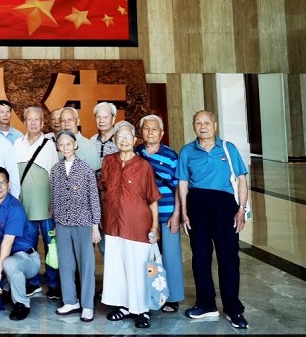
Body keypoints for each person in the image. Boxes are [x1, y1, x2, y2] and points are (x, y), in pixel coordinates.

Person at [177, 110, 249, 329]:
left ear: (215, 125)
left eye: (206, 123)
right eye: (198, 123)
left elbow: (242, 179)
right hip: (197, 205)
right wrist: (184, 212)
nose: (203, 126)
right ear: (193, 126)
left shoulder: (228, 148)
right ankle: (206, 304)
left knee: (228, 257)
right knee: (200, 256)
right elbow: (182, 183)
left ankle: (233, 308)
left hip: (224, 206)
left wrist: (241, 209)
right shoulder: (187, 151)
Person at [99, 121, 161, 329]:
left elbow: (152, 198)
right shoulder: (108, 161)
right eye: (120, 136)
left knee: (138, 268)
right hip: (113, 224)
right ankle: (124, 306)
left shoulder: (143, 166)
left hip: (137, 226)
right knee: (117, 268)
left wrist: (154, 226)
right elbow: (103, 189)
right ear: (114, 140)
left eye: (128, 137)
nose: (124, 140)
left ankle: (142, 310)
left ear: (135, 140)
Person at [49, 130, 101, 323]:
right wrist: (56, 221)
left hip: (83, 222)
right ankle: (70, 301)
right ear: (58, 147)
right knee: (65, 264)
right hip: (62, 222)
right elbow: (54, 197)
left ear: (75, 145)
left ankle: (87, 305)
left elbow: (94, 198)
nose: (65, 148)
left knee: (86, 264)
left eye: (68, 144)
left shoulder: (86, 169)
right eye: (61, 144)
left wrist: (95, 226)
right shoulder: (55, 169)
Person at [136, 114, 185, 314]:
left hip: (167, 213)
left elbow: (179, 186)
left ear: (162, 133)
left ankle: (172, 297)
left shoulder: (171, 155)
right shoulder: (135, 153)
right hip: (141, 214)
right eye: (146, 128)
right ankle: (146, 293)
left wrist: (177, 214)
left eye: (154, 129)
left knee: (170, 255)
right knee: (144, 256)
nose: (150, 132)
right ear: (141, 132)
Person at [13, 106, 61, 300]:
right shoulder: (17, 144)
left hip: (46, 205)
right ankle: (32, 282)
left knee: (52, 246)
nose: (33, 123)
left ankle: (53, 283)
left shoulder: (49, 145)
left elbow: (55, 176)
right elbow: (14, 176)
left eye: (37, 120)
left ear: (42, 123)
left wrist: (54, 204)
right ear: (24, 122)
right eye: (29, 120)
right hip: (25, 205)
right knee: (28, 245)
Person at [0, 166, 40, 321]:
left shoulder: (14, 207)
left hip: (27, 259)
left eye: (3, 182)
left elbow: (7, 243)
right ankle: (3, 289)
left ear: (8, 185)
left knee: (9, 263)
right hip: (6, 255)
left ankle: (22, 303)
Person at [58, 107, 99, 171]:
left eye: (70, 120)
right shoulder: (57, 145)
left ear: (77, 122)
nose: (66, 124)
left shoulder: (89, 146)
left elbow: (95, 173)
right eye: (63, 120)